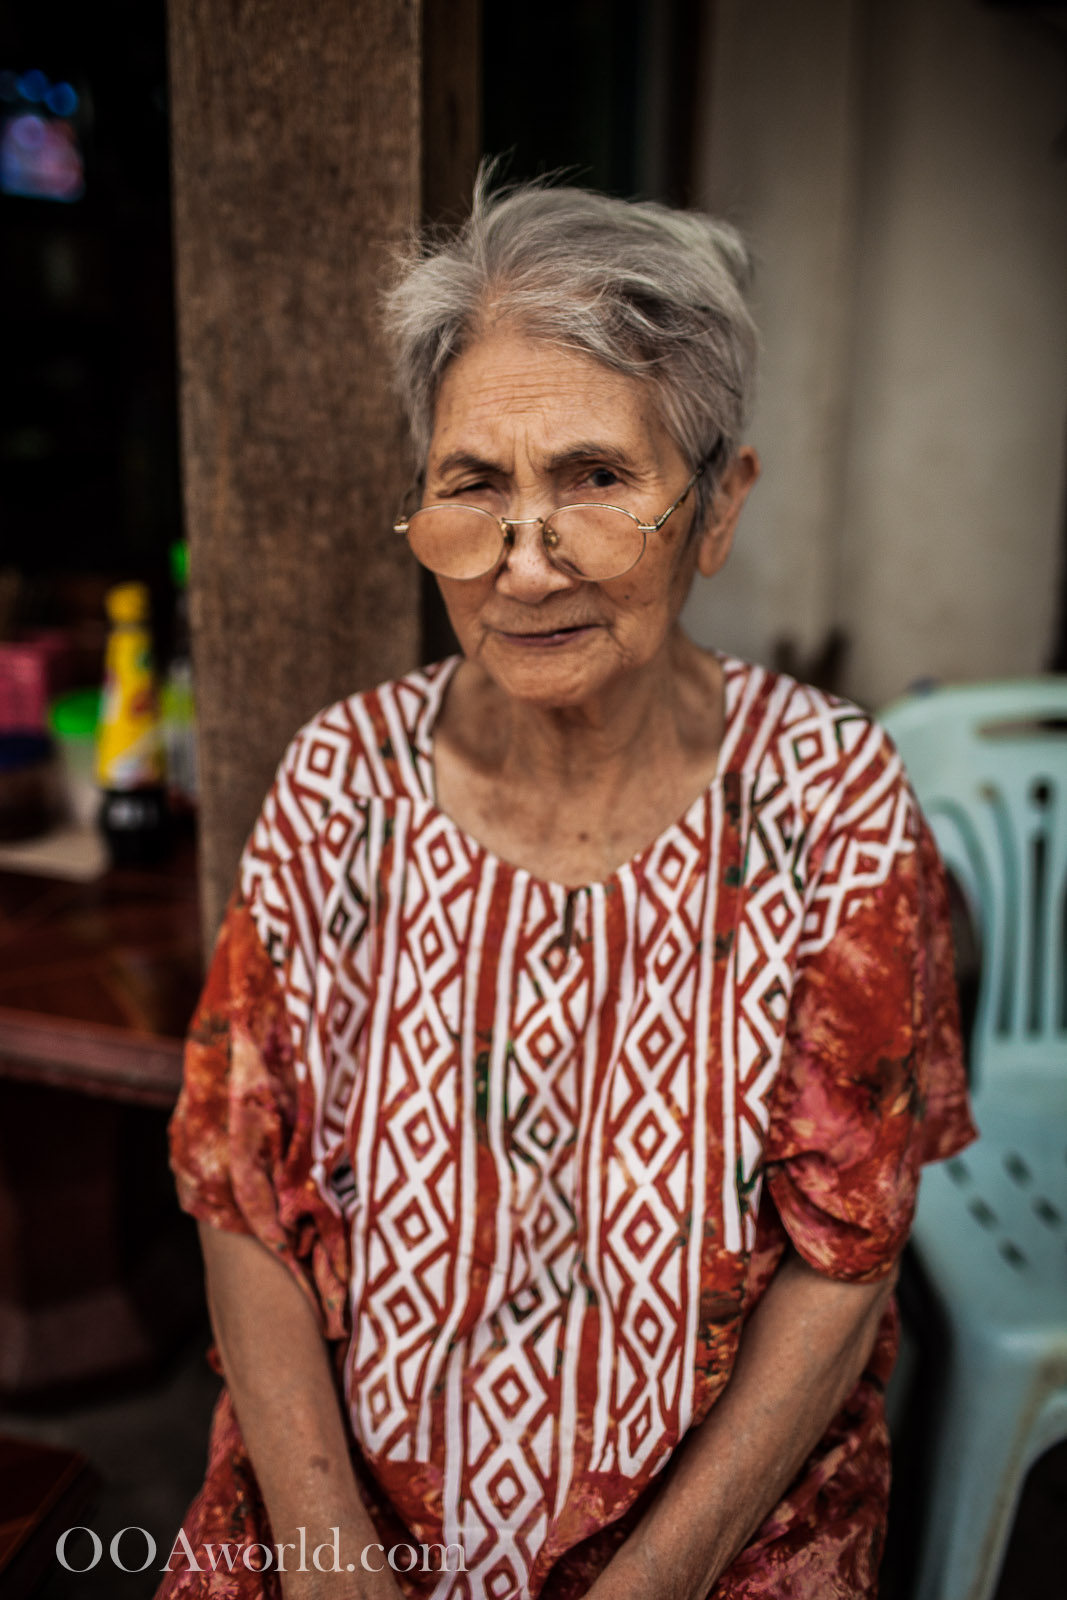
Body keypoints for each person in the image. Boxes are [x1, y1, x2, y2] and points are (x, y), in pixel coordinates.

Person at [160, 171, 976, 1600]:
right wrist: (333, 1564)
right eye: (473, 484)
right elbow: (243, 1199)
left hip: (718, 1555)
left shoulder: (834, 800)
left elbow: (844, 1264)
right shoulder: (339, 783)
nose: (523, 566)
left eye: (595, 480)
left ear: (718, 507)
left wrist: (649, 1586)